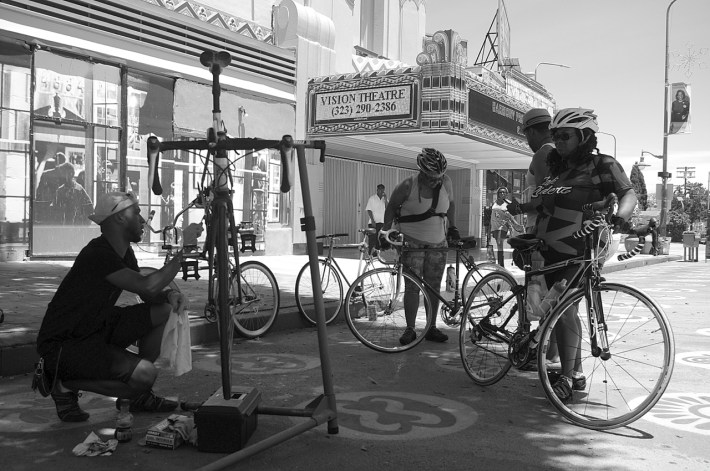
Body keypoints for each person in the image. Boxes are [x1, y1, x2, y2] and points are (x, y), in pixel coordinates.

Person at [511, 108, 637, 402]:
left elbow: (628, 192)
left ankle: (567, 378)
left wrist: (621, 217)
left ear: (584, 136)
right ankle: (575, 372)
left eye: (565, 135)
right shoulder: (557, 169)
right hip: (548, 251)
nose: (558, 140)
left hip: (580, 251)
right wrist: (521, 208)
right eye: (555, 135)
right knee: (561, 312)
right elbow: (543, 203)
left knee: (563, 308)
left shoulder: (602, 165)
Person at [36, 192, 189, 422]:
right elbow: (146, 286)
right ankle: (62, 383)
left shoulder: (124, 251)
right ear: (119, 218)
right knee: (147, 374)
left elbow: (148, 293)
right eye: (136, 213)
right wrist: (182, 253)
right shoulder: (98, 253)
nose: (142, 220)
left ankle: (138, 395)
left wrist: (171, 295)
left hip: (96, 326)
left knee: (166, 311)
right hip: (65, 344)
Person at [380, 148, 459, 345]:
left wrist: (454, 227)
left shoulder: (446, 182)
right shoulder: (408, 185)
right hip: (412, 243)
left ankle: (431, 327)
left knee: (433, 287)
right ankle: (410, 329)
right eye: (431, 177)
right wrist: (384, 232)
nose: (436, 181)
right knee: (413, 287)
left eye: (439, 177)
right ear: (421, 172)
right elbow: (390, 208)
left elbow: (452, 204)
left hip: (438, 243)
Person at [520, 108, 555, 234]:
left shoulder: (543, 154)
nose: (528, 141)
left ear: (532, 132)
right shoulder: (560, 151)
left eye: (526, 135)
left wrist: (519, 208)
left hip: (540, 227)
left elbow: (545, 200)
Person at [489, 187, 517, 266]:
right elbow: (491, 215)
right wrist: (489, 229)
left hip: (503, 225)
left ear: (506, 194)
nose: (502, 194)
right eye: (500, 192)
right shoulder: (494, 203)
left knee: (499, 242)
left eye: (504, 192)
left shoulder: (508, 203)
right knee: (498, 245)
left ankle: (501, 264)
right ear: (498, 194)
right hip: (494, 226)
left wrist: (513, 226)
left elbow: (512, 216)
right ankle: (500, 264)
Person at [365, 184, 388, 255]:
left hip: (382, 222)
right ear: (377, 190)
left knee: (379, 240)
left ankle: (377, 255)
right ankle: (370, 255)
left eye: (382, 189)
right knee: (372, 239)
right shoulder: (372, 198)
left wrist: (386, 198)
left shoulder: (385, 200)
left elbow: (388, 208)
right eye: (380, 189)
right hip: (373, 222)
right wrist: (372, 220)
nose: (381, 191)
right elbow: (369, 210)